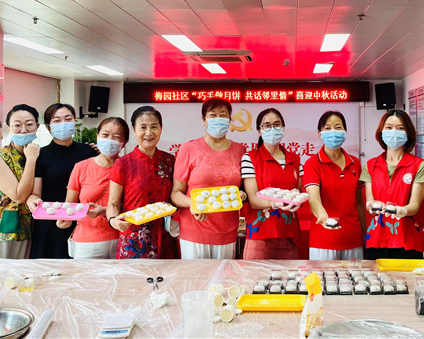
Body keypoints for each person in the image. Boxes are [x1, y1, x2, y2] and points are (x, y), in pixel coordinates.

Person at [171, 98, 246, 259]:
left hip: (227, 231)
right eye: (212, 115)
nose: (218, 119)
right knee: (196, 275)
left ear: (230, 119)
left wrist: (242, 195)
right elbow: (176, 193)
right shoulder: (188, 149)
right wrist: (194, 204)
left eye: (223, 115)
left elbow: (242, 189)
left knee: (224, 274)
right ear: (204, 120)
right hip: (194, 230)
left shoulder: (240, 150)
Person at [106, 106, 177, 259]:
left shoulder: (170, 161)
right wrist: (113, 221)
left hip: (166, 236)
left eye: (154, 127)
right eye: (143, 127)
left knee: (168, 274)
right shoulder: (123, 164)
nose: (149, 133)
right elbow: (113, 204)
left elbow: (177, 195)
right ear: (134, 130)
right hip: (134, 239)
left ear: (161, 129)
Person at [27, 103, 97, 258]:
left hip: (84, 220)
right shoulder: (41, 155)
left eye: (68, 119)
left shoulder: (89, 151)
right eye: (57, 120)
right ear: (48, 127)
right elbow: (35, 193)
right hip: (51, 222)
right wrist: (33, 202)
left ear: (74, 122)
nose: (63, 123)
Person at [361, 110, 424, 260]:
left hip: (408, 239)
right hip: (376, 238)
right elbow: (369, 200)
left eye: (400, 128)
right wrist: (371, 205)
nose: (394, 132)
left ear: (408, 133)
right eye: (389, 127)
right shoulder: (370, 166)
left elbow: (414, 206)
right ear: (381, 132)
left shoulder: (419, 166)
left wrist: (400, 210)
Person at [56, 117, 129, 259]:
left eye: (116, 137)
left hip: (123, 239)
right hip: (87, 242)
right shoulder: (81, 167)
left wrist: (104, 211)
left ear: (124, 142)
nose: (109, 140)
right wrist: (65, 218)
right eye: (105, 135)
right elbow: (70, 204)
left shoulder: (130, 168)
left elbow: (135, 206)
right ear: (97, 136)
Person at [241, 108, 302, 259]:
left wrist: (297, 199)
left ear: (283, 127)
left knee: (290, 275)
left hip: (288, 234)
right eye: (267, 125)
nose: (272, 129)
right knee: (254, 273)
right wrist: (275, 203)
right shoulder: (250, 158)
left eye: (277, 124)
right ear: (259, 131)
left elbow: (298, 193)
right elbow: (253, 200)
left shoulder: (295, 159)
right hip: (260, 235)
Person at [304, 111, 364, 260]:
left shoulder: (355, 163)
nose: (333, 132)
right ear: (319, 133)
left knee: (356, 276)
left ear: (345, 132)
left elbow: (359, 203)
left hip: (353, 239)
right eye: (327, 128)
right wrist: (324, 218)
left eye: (338, 127)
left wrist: (365, 233)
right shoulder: (312, 164)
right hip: (324, 240)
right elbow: (313, 199)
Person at [0, 104, 40, 258]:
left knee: (22, 272)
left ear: (37, 126)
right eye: (17, 125)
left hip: (27, 227)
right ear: (8, 128)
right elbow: (19, 196)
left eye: (29, 124)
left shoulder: (37, 153)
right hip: (0, 230)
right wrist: (31, 160)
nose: (23, 130)